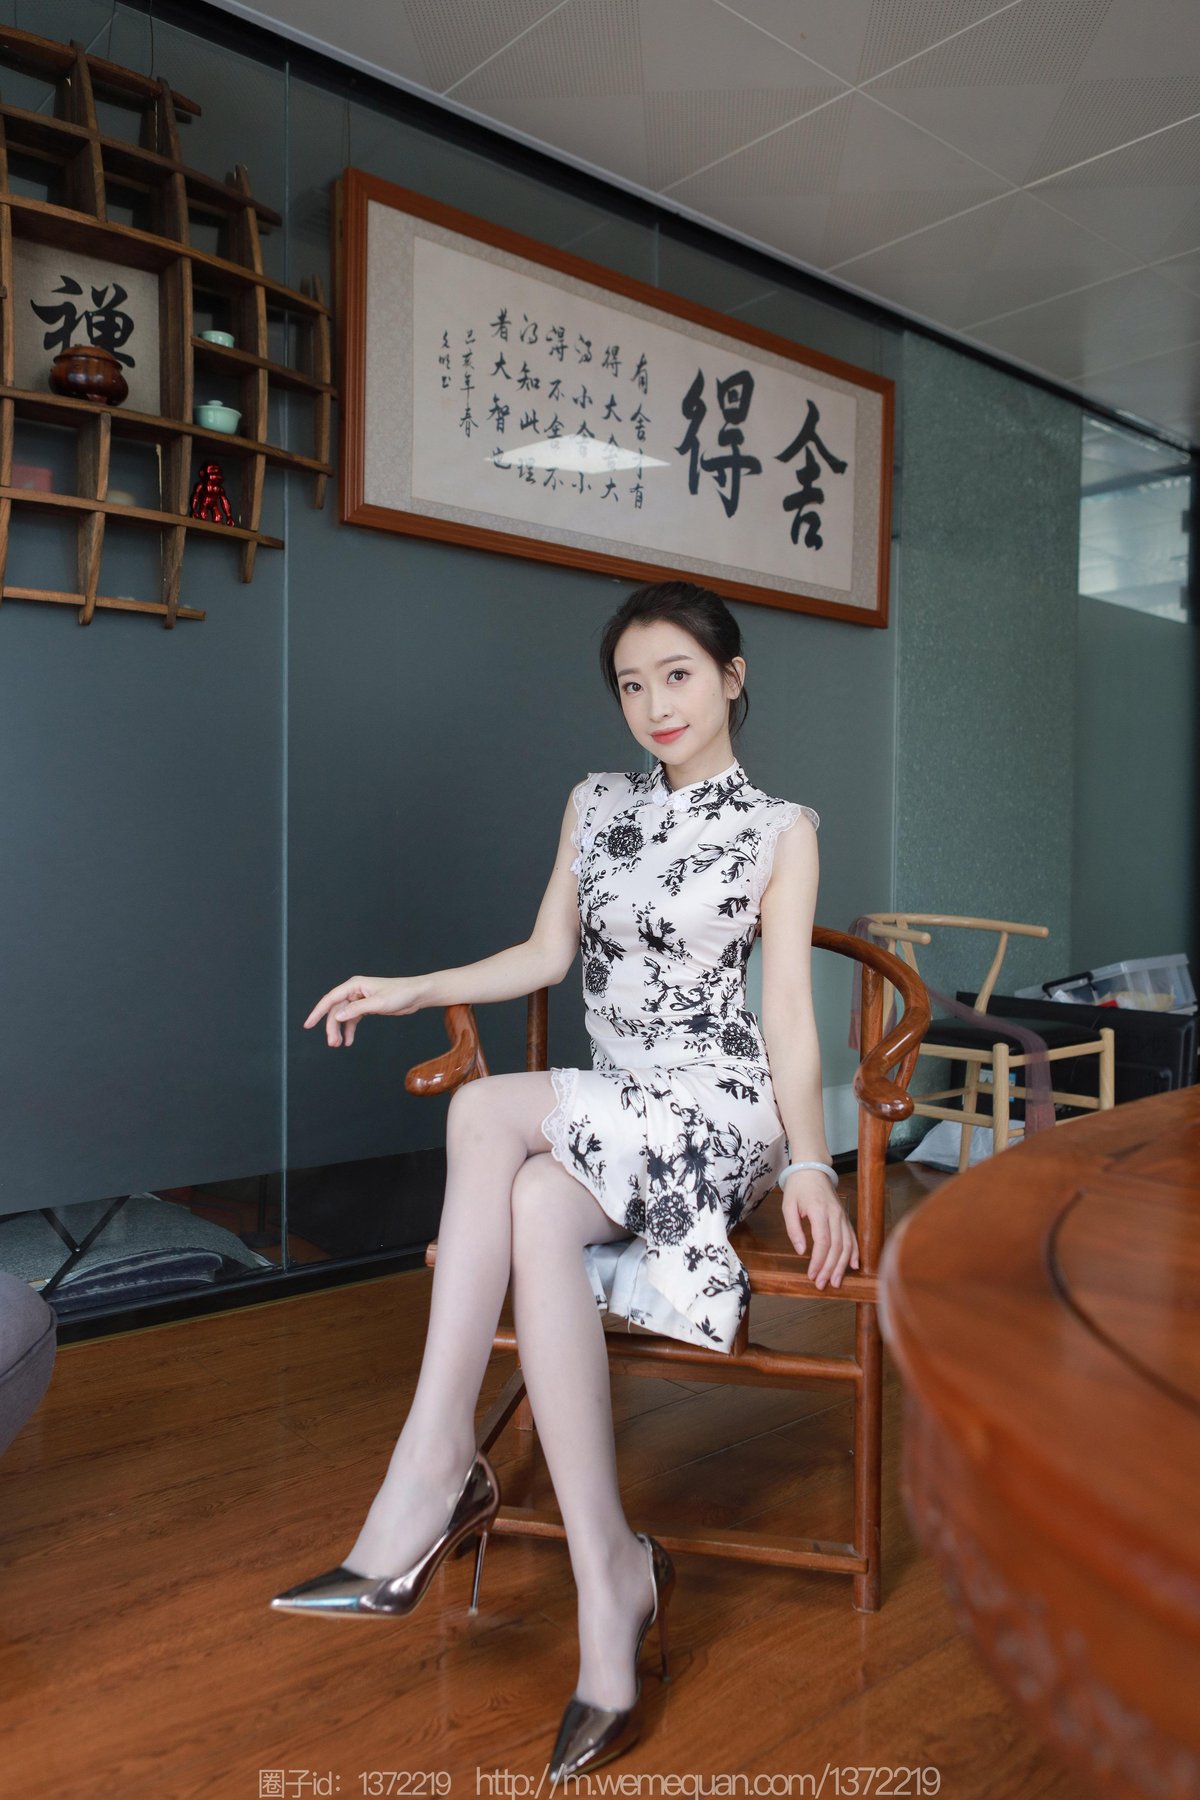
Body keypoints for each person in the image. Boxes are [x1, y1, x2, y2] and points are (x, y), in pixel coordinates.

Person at [270, 579, 860, 1779]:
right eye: (632, 685)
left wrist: (811, 1161)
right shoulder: (596, 803)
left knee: (486, 1109)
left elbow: (791, 1018)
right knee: (537, 1201)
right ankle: (612, 1581)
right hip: (613, 1106)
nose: (655, 705)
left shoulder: (780, 829)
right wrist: (414, 988)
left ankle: (435, 1471)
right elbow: (547, 953)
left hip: (714, 1112)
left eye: (678, 676)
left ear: (732, 677)